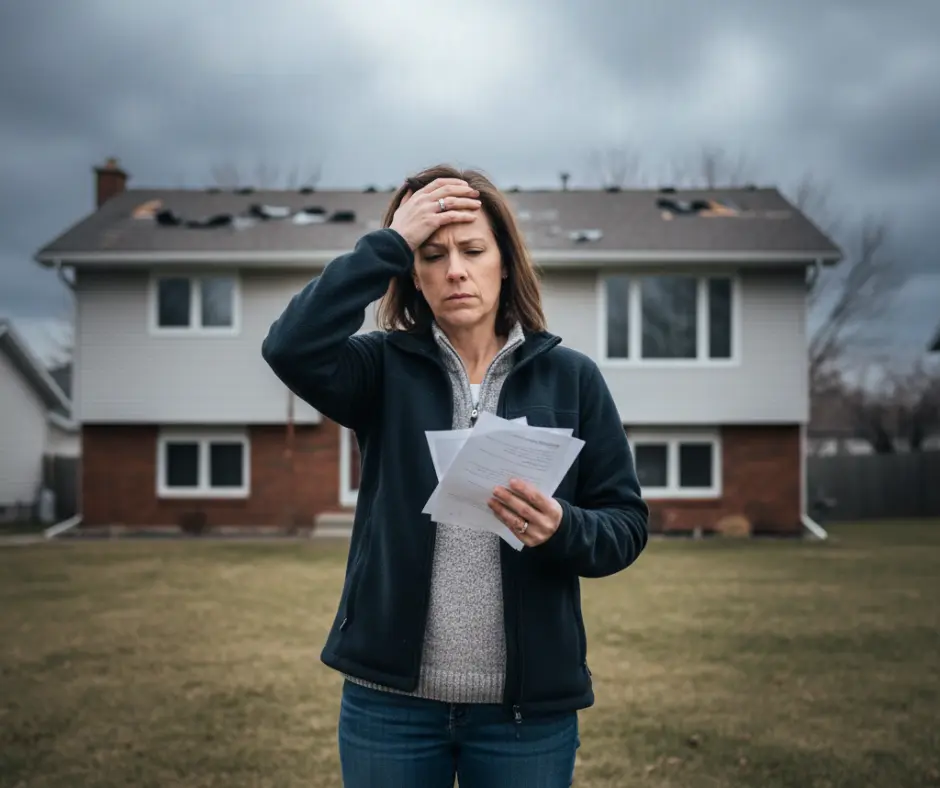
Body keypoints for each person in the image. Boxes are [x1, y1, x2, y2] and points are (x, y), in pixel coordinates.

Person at [261, 165, 649, 787]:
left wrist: (563, 527)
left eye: (472, 250)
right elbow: (289, 346)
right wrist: (388, 241)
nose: (454, 271)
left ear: (504, 262)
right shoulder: (379, 368)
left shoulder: (572, 379)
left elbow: (626, 525)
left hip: (526, 716)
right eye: (431, 254)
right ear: (411, 271)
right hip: (389, 706)